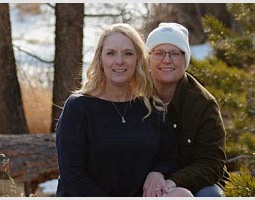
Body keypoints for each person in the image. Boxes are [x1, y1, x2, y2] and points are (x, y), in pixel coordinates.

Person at [55, 23, 179, 197]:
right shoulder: (79, 107)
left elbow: (169, 157)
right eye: (111, 53)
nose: (119, 61)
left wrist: (157, 173)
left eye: (127, 53)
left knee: (181, 195)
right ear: (100, 59)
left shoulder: (151, 106)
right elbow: (72, 176)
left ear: (138, 59)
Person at [143, 22, 230, 197]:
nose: (166, 60)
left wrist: (171, 182)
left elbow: (212, 164)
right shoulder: (135, 96)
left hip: (197, 184)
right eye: (159, 53)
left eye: (175, 53)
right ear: (148, 58)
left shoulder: (203, 104)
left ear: (185, 59)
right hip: (147, 182)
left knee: (210, 195)